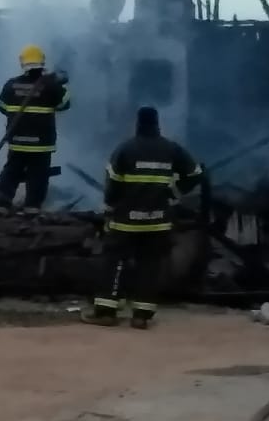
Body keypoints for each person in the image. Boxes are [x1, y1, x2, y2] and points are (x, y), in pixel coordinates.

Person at [81, 106, 202, 330]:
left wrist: (109, 206)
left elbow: (113, 182)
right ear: (157, 124)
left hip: (126, 221)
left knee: (114, 261)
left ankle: (106, 312)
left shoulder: (126, 148)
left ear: (137, 124)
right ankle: (141, 317)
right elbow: (195, 173)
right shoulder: (171, 149)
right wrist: (173, 192)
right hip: (158, 221)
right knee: (150, 265)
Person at [0, 44, 71, 216]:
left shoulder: (11, 85)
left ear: (23, 63)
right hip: (41, 144)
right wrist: (61, 85)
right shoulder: (51, 86)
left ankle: (1, 204)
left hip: (17, 141)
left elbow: (2, 107)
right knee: (38, 176)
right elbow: (65, 104)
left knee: (11, 171)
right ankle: (32, 208)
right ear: (42, 63)